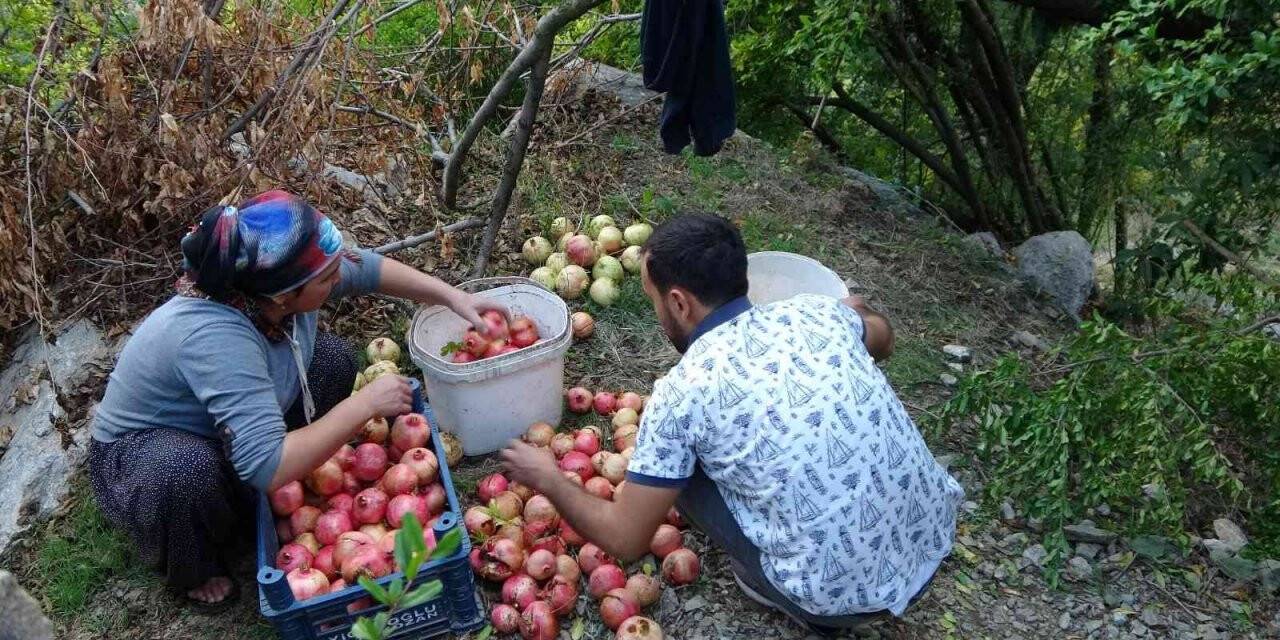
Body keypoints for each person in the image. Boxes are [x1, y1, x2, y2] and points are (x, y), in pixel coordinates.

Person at [502, 213, 963, 634]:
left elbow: (626, 540)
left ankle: (776, 589)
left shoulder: (682, 393)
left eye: (654, 301)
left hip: (839, 602)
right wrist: (855, 312)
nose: (658, 313)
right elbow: (883, 339)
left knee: (676, 470)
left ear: (679, 303)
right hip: (934, 535)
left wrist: (548, 478)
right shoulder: (817, 312)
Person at [89, 190, 505, 609]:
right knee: (183, 473)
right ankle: (195, 567)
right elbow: (267, 466)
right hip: (149, 450)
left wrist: (454, 297)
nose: (338, 278)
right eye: (327, 279)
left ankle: (264, 487)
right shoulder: (216, 337)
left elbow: (370, 269)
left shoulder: (279, 278)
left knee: (333, 360)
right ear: (283, 297)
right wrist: (361, 406)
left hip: (225, 421)